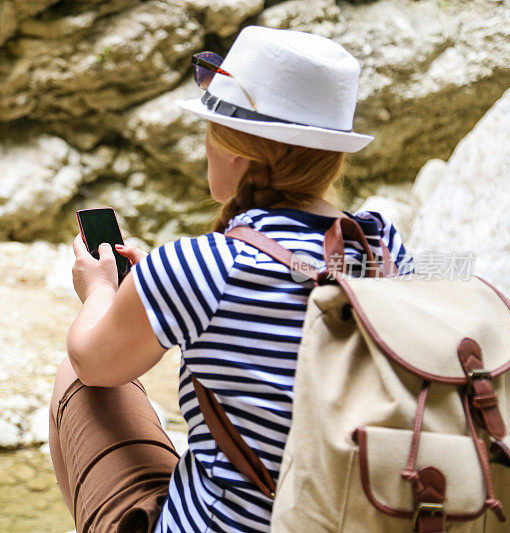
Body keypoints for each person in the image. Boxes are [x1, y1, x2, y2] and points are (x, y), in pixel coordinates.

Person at [48, 26, 413, 532]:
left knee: (77, 379)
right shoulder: (383, 247)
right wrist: (162, 283)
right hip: (364, 510)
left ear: (237, 152)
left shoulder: (196, 267)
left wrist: (102, 291)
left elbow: (94, 363)